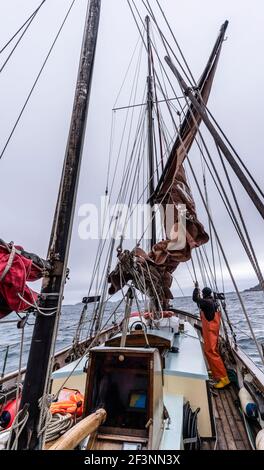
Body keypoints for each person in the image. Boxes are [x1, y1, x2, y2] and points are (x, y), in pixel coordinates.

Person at [192, 282, 230, 389]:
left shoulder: (206, 303)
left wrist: (196, 288)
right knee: (211, 351)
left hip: (210, 331)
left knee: (211, 352)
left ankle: (224, 378)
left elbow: (195, 299)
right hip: (213, 330)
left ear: (204, 294)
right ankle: (215, 374)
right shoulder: (213, 302)